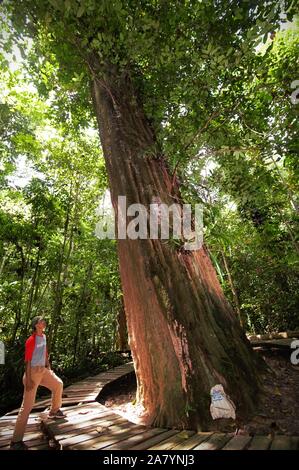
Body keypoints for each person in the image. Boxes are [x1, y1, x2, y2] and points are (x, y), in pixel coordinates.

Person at [10, 316, 66, 450]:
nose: (43, 322)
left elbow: (45, 353)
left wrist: (49, 367)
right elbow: (28, 361)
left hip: (43, 371)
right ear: (36, 325)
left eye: (44, 321)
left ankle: (54, 410)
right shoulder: (31, 340)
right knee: (27, 406)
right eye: (41, 321)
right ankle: (15, 441)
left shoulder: (44, 337)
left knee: (58, 384)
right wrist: (28, 379)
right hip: (33, 373)